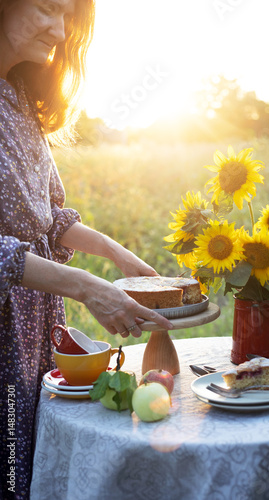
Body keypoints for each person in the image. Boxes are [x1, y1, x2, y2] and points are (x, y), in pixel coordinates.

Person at [0, 1, 173, 498]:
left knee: (26, 465)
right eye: (48, 9)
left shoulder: (16, 94)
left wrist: (118, 257)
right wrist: (85, 288)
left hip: (33, 328)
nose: (60, 31)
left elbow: (47, 219)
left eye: (68, 19)